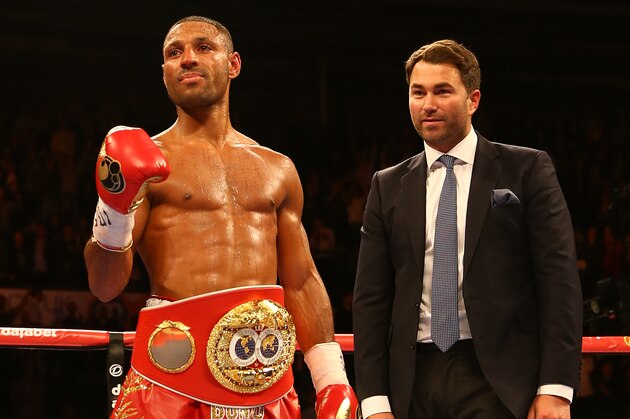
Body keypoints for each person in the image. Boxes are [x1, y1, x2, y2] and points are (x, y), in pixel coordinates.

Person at [84, 15, 358, 419]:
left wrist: (330, 377)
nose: (187, 59)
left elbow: (300, 278)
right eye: (174, 53)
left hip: (265, 381)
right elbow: (105, 286)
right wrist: (113, 208)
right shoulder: (147, 163)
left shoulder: (277, 168)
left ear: (233, 64)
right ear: (164, 74)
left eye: (203, 48)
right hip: (170, 381)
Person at [352, 39, 583, 419]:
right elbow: (371, 299)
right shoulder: (387, 184)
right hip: (411, 379)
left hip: (501, 378)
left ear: (473, 100)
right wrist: (374, 401)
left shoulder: (527, 169)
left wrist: (556, 389)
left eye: (442, 91)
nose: (428, 104)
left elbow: (559, 283)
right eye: (418, 92)